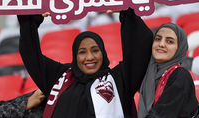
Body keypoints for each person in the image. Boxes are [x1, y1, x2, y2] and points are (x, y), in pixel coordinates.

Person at [17, 6, 153, 117]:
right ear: (75, 56)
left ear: (103, 53)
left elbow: (140, 50)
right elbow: (30, 54)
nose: (89, 57)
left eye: (95, 50)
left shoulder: (120, 79)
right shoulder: (60, 76)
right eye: (82, 52)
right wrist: (30, 21)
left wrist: (128, 14)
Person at [138, 23, 198, 118]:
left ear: (179, 48)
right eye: (157, 39)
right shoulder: (148, 73)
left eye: (170, 41)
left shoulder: (181, 76)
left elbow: (160, 115)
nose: (161, 44)